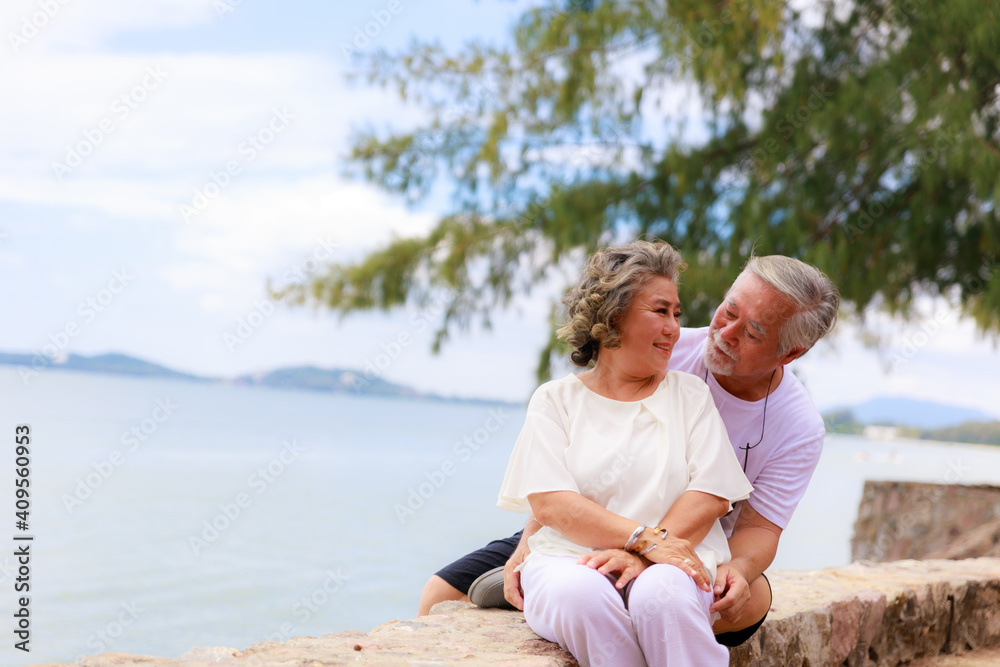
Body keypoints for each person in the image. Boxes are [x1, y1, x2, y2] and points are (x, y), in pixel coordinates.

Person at [418, 248, 840, 650]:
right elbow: (573, 454)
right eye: (728, 311)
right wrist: (530, 539)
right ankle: (550, 580)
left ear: (791, 352)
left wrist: (733, 569)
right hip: (599, 518)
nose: (725, 333)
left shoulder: (798, 426)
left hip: (697, 545)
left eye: (752, 332)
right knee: (440, 593)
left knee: (729, 598)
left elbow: (761, 528)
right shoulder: (663, 347)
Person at [500, 239, 756, 665]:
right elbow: (552, 504)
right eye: (660, 311)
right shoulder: (555, 400)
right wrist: (641, 540)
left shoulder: (690, 395)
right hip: (568, 560)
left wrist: (643, 554)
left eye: (677, 313)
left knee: (664, 594)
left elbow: (711, 492)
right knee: (584, 594)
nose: (675, 327)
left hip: (674, 560)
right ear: (613, 315)